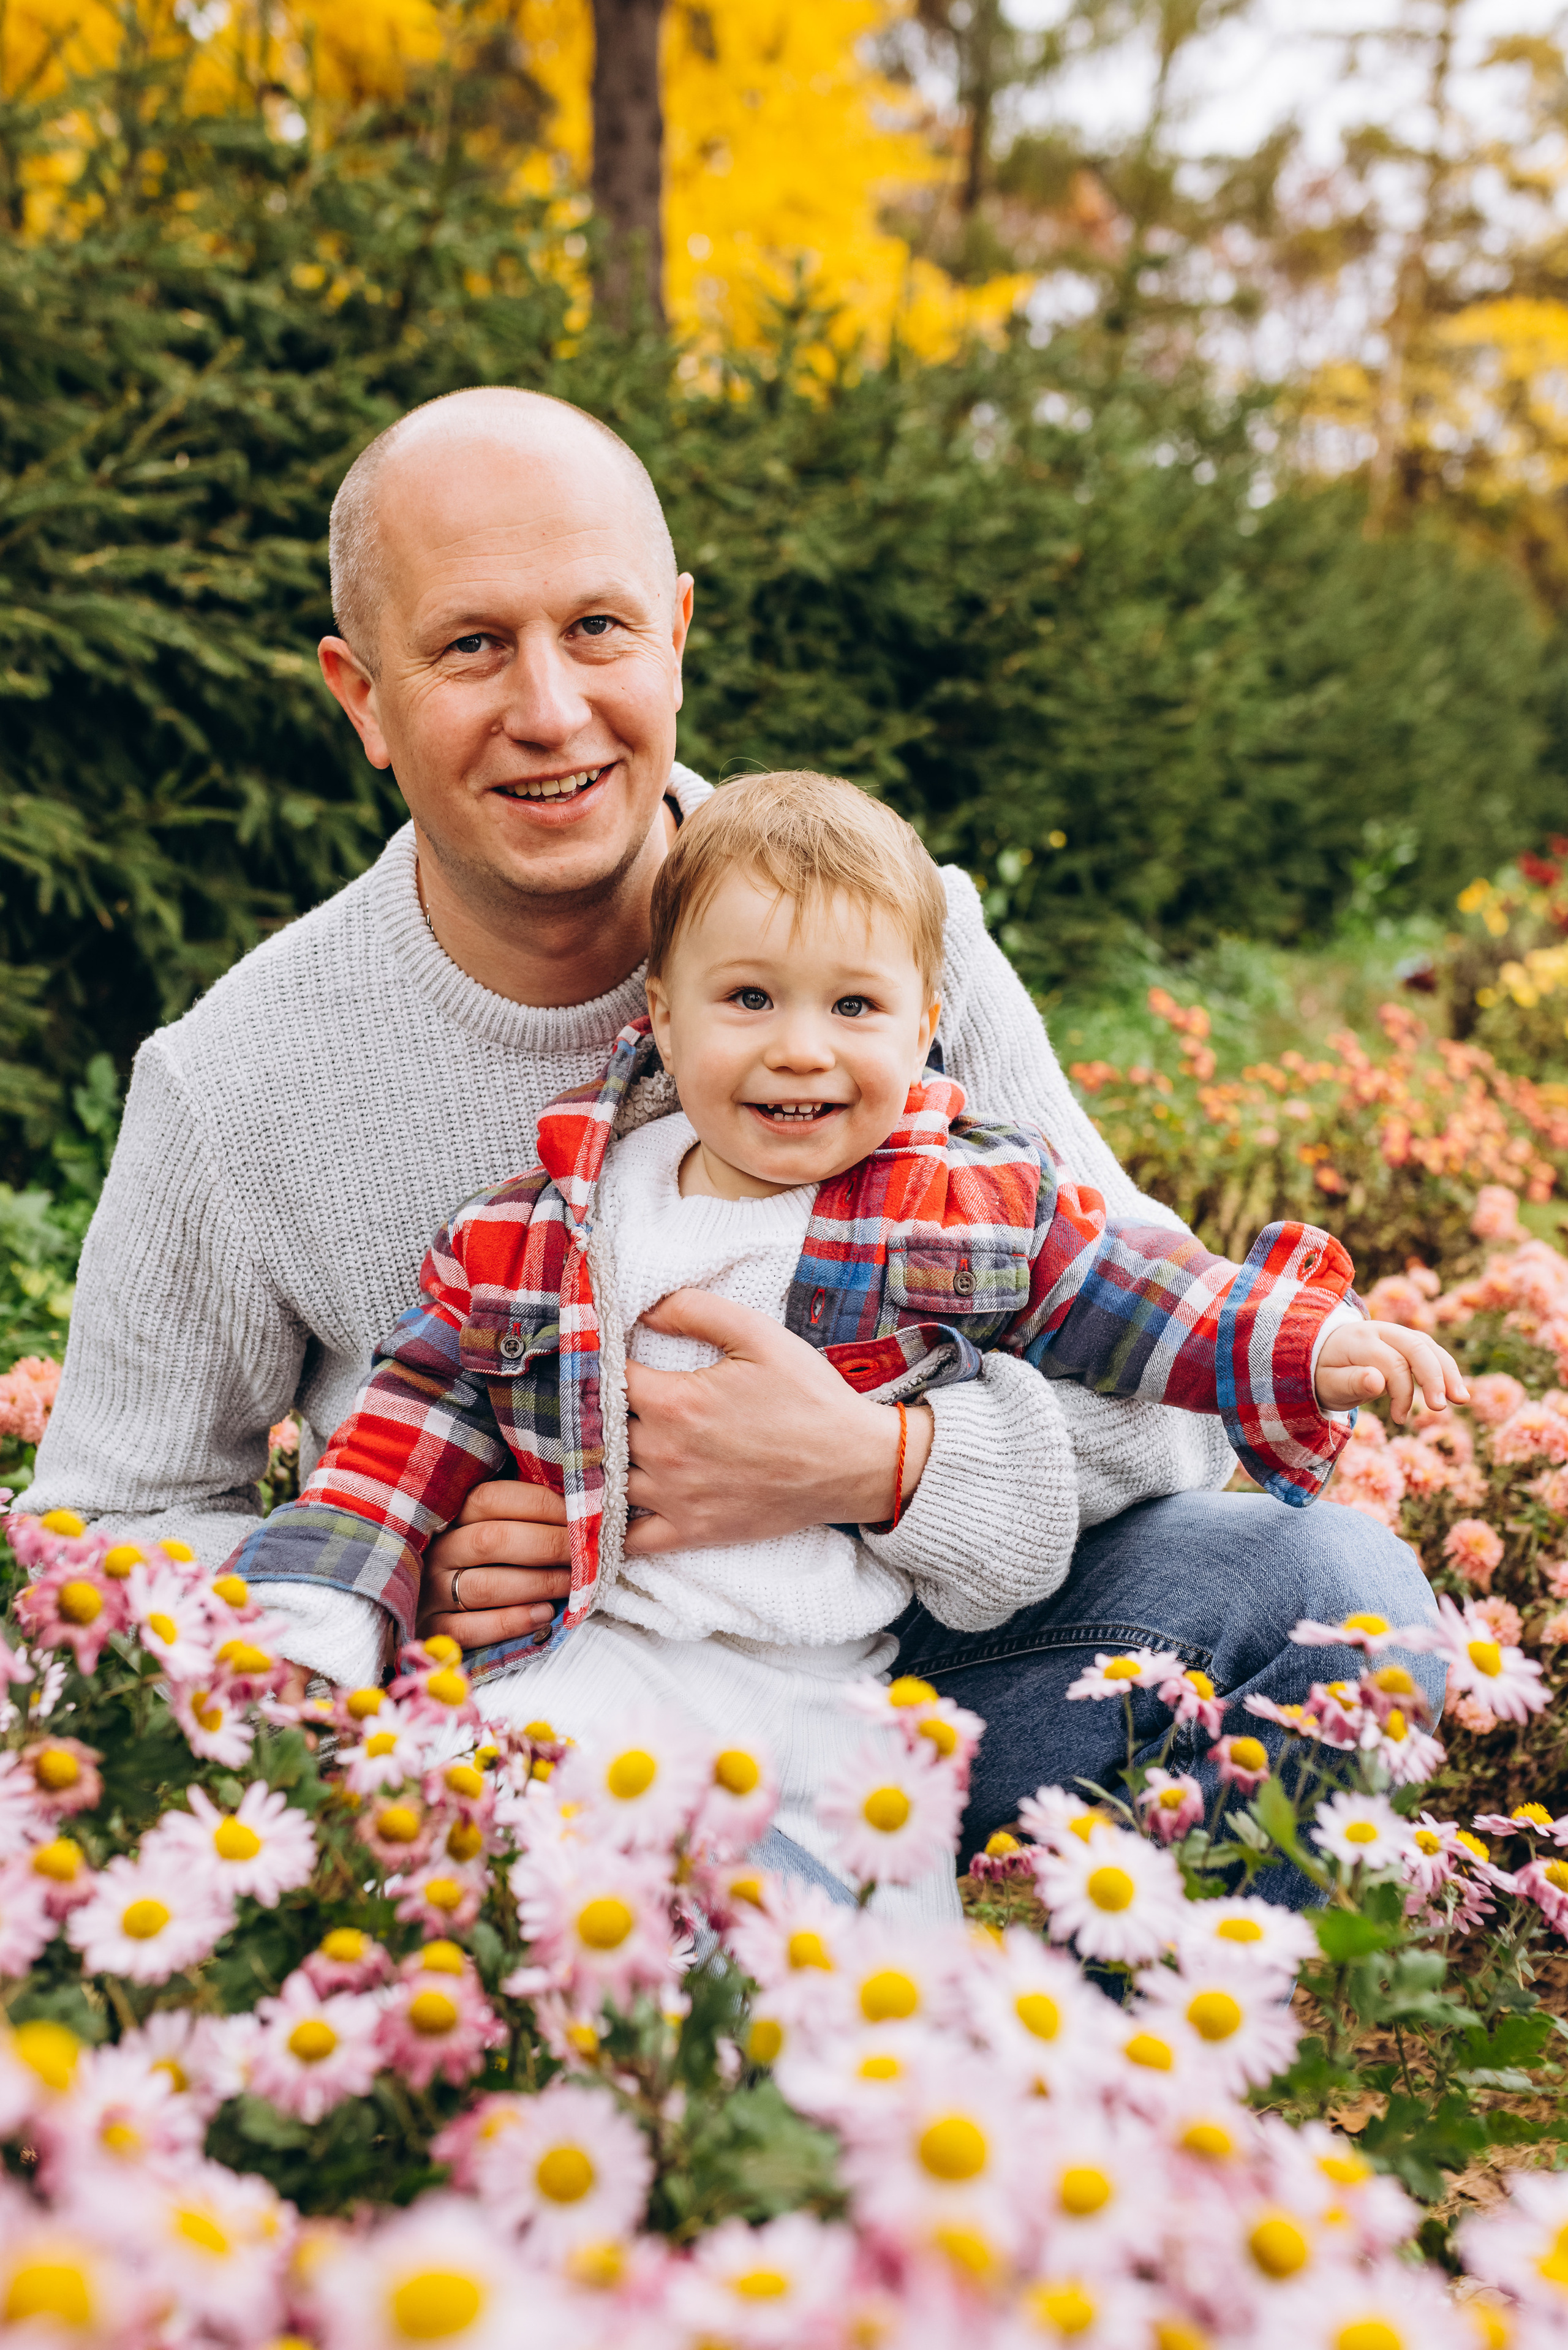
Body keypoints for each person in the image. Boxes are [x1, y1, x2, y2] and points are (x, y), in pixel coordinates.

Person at [26, 384, 1441, 1876]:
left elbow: (1167, 1370)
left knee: (1335, 1598)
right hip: (536, 1714)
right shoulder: (239, 1078)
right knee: (699, 1919)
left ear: (678, 635)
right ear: (362, 696)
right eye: (470, 645)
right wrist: (397, 1582)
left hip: (908, 1662)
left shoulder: (892, 939)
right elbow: (107, 1523)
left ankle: (1137, 2031)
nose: (549, 709)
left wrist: (883, 1464)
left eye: (598, 627)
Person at [225, 770, 1463, 1916]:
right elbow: (402, 1432)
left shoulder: (959, 1208)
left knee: (854, 1979)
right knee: (521, 1878)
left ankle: (1102, 2045)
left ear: (926, 1026)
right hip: (603, 1654)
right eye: (748, 998)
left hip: (835, 1682)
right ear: (662, 1015)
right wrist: (323, 1619)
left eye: (854, 1005)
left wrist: (1298, 1341)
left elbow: (1137, 1294)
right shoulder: (551, 1227)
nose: (801, 1046)